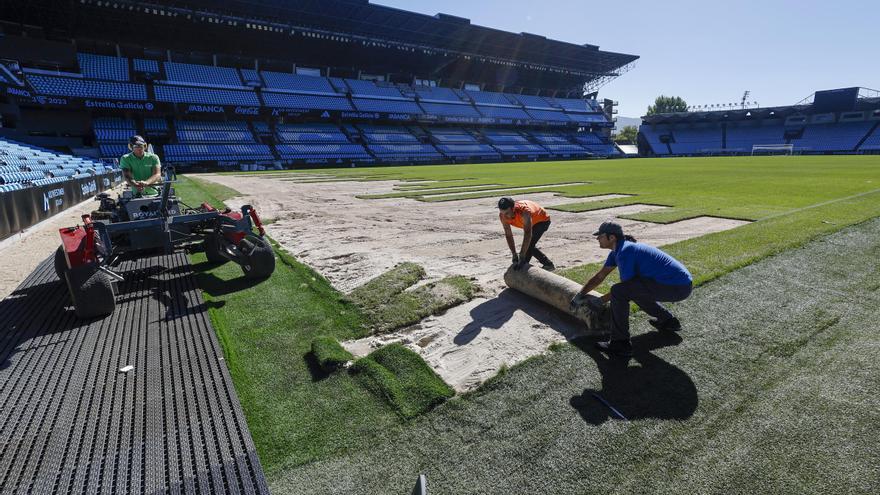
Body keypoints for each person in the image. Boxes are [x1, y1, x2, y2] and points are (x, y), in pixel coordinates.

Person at [575, 221, 692, 357]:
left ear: (611, 237)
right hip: (677, 284)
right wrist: (580, 293)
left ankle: (620, 343)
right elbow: (600, 276)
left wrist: (599, 301)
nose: (597, 238)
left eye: (600, 236)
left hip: (677, 287)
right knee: (634, 291)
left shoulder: (626, 251)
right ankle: (668, 321)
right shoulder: (617, 251)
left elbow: (624, 288)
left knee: (620, 291)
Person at [498, 196, 555, 271]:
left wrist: (522, 256)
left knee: (529, 245)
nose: (505, 215)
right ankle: (546, 264)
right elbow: (508, 235)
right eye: (502, 212)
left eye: (507, 213)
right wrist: (514, 254)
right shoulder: (503, 216)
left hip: (542, 220)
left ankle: (546, 265)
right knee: (529, 246)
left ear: (513, 208)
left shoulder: (524, 212)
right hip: (532, 221)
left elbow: (528, 234)